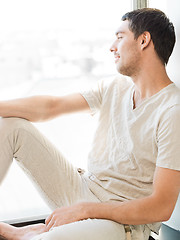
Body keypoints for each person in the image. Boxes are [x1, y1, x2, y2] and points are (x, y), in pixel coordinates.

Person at [0, 7, 180, 240]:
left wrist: (86, 211)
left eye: (120, 36)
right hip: (84, 189)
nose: (112, 47)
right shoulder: (115, 87)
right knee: (12, 127)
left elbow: (161, 207)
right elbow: (52, 106)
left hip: (120, 222)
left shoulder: (172, 111)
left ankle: (27, 235)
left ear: (144, 40)